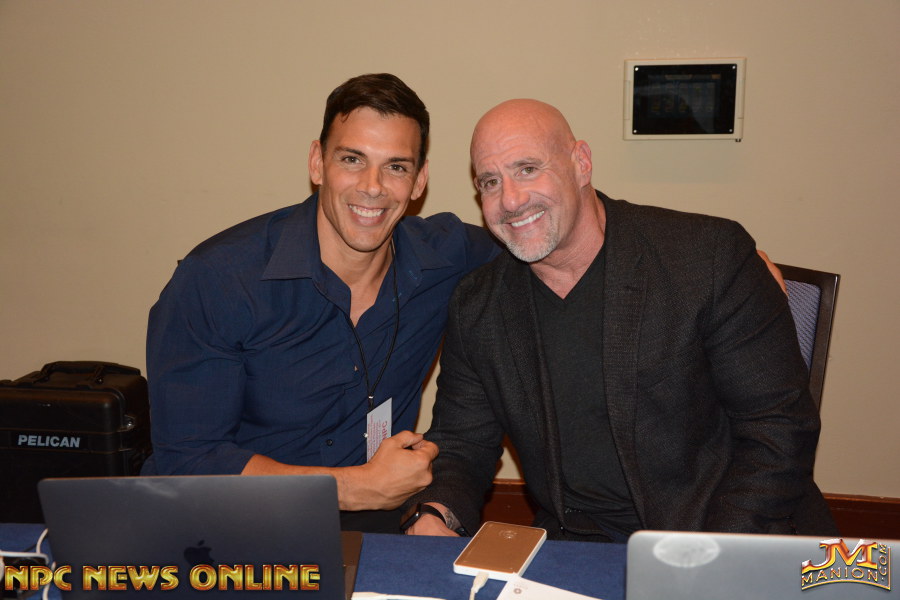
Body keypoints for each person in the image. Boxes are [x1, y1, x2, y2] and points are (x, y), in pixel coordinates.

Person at [402, 99, 837, 541]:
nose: (510, 199)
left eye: (528, 169)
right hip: (572, 545)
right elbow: (463, 441)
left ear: (581, 163)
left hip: (716, 532)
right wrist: (437, 513)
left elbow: (777, 429)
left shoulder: (706, 259)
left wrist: (711, 557)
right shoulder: (479, 304)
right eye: (490, 182)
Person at [142, 73, 499, 532]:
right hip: (229, 529)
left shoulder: (446, 258)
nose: (372, 186)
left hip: (375, 535)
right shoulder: (219, 280)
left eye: (396, 167)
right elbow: (188, 461)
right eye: (352, 159)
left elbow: (542, 241)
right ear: (317, 163)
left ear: (419, 181)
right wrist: (353, 487)